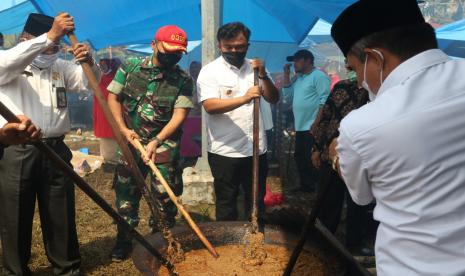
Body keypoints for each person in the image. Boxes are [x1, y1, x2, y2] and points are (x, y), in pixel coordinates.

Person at [330, 0, 465, 274]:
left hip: (412, 267)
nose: (358, 82)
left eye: (355, 69)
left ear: (375, 57)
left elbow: (362, 195)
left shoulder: (363, 125)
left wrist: (335, 156)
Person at [0, 13, 99, 275]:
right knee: (15, 213)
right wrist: (50, 36)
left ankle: (67, 267)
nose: (51, 51)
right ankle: (16, 270)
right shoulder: (9, 63)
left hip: (56, 147)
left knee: (60, 210)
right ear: (26, 39)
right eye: (47, 44)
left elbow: (89, 82)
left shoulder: (60, 68)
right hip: (19, 149)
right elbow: (6, 63)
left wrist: (89, 61)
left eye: (56, 47)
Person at [107, 25, 193, 261]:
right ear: (154, 45)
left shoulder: (183, 79)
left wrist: (157, 140)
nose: (172, 58)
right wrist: (123, 130)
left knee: (165, 198)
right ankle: (124, 241)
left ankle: (162, 242)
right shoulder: (131, 67)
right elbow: (113, 97)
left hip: (164, 146)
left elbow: (180, 114)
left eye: (177, 54)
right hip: (130, 143)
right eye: (168, 52)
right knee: (126, 196)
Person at [197, 22, 279, 222]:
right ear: (220, 46)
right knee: (227, 202)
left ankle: (255, 240)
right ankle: (228, 244)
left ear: (247, 45)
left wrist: (263, 75)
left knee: (256, 200)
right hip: (225, 151)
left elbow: (273, 98)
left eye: (239, 47)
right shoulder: (210, 72)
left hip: (255, 150)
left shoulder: (255, 68)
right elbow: (210, 106)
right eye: (229, 47)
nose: (234, 51)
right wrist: (244, 98)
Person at [310, 69, 375, 256]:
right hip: (331, 154)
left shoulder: (378, 93)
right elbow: (325, 117)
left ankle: (354, 242)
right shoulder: (342, 87)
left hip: (361, 155)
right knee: (328, 199)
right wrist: (316, 147)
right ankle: (324, 241)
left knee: (358, 202)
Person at [282, 50, 330, 192]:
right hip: (300, 126)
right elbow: (287, 96)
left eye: (298, 60)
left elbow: (325, 101)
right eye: (294, 61)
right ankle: (306, 186)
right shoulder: (298, 78)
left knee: (312, 158)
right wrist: (286, 74)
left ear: (308, 61)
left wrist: (317, 123)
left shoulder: (319, 76)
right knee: (300, 157)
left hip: (312, 125)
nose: (294, 64)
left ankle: (316, 187)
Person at [93, 58, 121, 167]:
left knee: (114, 142)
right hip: (103, 115)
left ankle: (114, 162)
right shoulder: (100, 78)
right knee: (107, 143)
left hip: (113, 115)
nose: (102, 67)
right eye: (101, 65)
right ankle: (110, 162)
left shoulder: (116, 79)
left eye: (104, 65)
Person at [179, 61, 202, 168]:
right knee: (187, 137)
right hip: (189, 117)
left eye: (196, 67)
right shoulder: (187, 81)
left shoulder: (203, 81)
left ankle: (195, 157)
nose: (194, 70)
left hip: (201, 117)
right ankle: (188, 159)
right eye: (192, 67)